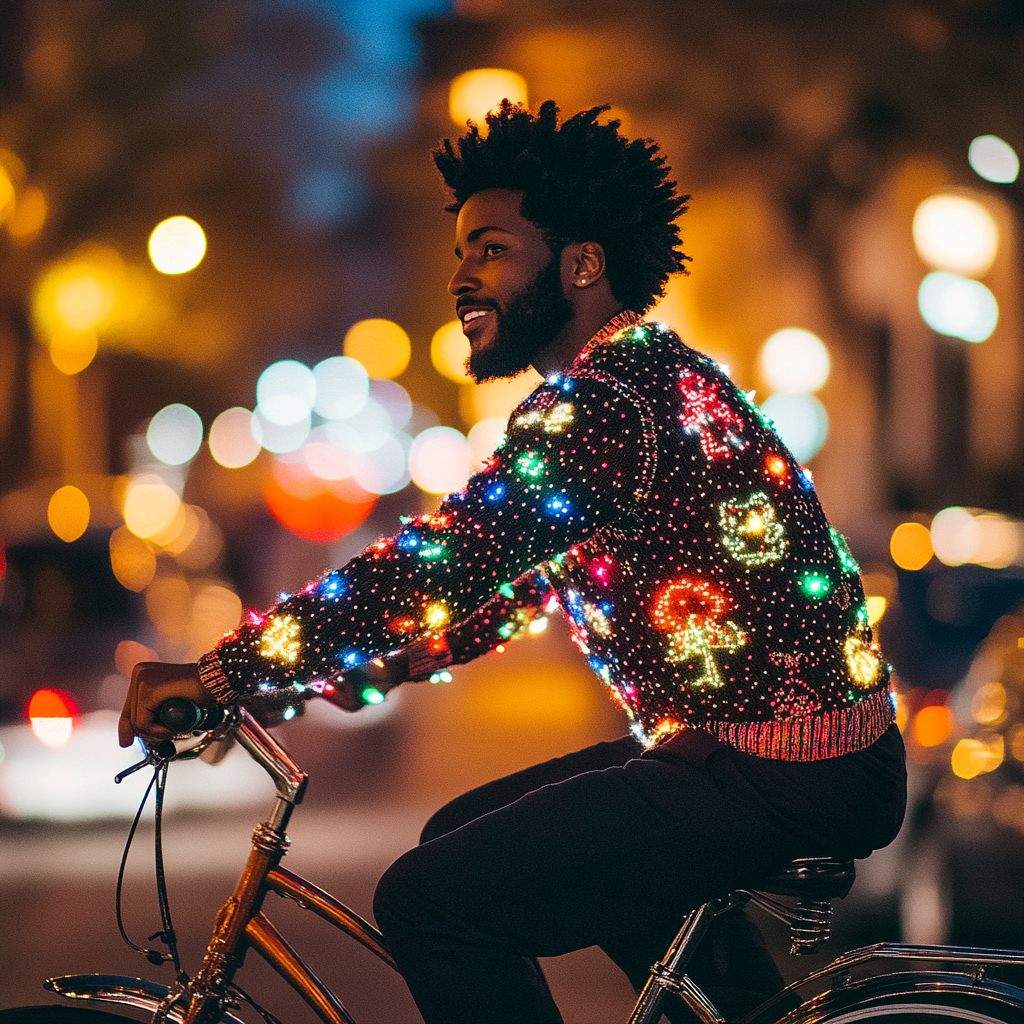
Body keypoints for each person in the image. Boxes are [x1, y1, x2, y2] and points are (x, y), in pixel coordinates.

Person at [120, 101, 907, 1024]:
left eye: (489, 248)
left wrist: (224, 669)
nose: (460, 276)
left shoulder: (611, 404)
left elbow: (443, 563)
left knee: (431, 901)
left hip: (772, 768)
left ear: (581, 263)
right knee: (462, 837)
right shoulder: (646, 378)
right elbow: (517, 579)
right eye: (459, 252)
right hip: (757, 758)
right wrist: (383, 663)